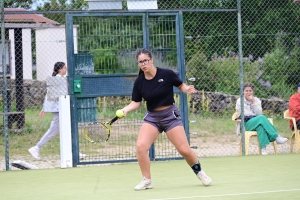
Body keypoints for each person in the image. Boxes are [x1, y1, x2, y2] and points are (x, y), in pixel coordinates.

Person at [119, 48, 212, 191]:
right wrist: (126, 109)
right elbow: (136, 102)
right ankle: (147, 180)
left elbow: (181, 85)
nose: (143, 64)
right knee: (141, 147)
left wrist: (187, 89)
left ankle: (200, 172)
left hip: (170, 116)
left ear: (151, 60)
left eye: (145, 61)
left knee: (184, 150)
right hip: (152, 118)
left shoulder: (167, 74)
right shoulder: (139, 81)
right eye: (140, 62)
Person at [28, 62, 86, 160]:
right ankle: (36, 147)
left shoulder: (60, 79)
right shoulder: (58, 80)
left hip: (61, 109)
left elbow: (49, 94)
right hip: (59, 110)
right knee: (54, 131)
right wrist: (44, 108)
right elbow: (51, 95)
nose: (66, 69)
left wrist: (44, 108)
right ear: (60, 69)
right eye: (64, 68)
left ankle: (75, 153)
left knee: (67, 130)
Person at [235, 82, 288, 155]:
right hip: (247, 123)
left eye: (250, 90)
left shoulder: (256, 100)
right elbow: (245, 114)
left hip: (258, 121)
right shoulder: (239, 101)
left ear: (253, 91)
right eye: (246, 91)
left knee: (260, 126)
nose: (248, 92)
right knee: (261, 118)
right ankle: (276, 137)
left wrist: (253, 102)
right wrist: (254, 115)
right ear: (243, 91)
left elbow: (259, 113)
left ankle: (263, 150)